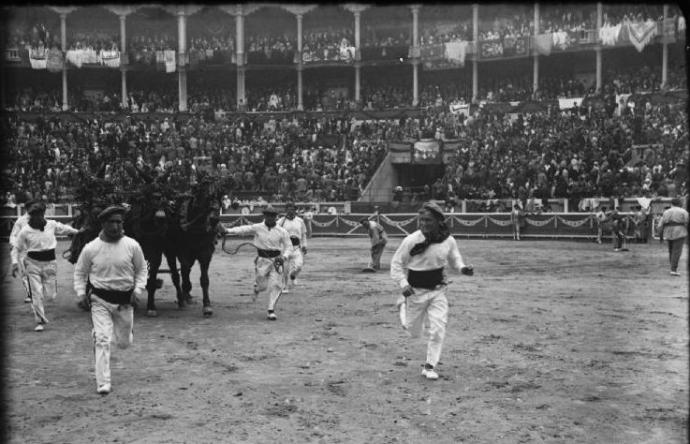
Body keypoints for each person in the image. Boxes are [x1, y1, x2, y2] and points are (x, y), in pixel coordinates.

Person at [390, 201, 474, 380]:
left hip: (438, 290)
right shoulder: (411, 240)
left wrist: (462, 269)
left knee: (438, 329)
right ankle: (402, 307)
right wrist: (403, 284)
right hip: (415, 292)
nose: (424, 224)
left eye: (428, 220)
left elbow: (455, 259)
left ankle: (429, 366)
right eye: (421, 220)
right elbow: (396, 264)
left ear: (438, 221)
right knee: (413, 332)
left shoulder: (448, 240)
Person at [73, 205, 147, 395]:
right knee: (103, 340)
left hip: (124, 302)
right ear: (103, 224)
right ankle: (103, 382)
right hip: (100, 300)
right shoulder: (91, 248)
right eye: (111, 222)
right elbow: (80, 272)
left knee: (124, 343)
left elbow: (141, 270)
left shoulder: (132, 245)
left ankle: (119, 333)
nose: (116, 226)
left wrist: (137, 290)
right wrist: (81, 293)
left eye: (119, 222)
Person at [11, 200, 80, 331]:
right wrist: (14, 263)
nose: (36, 218)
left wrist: (79, 231)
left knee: (51, 295)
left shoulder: (51, 224)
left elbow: (65, 229)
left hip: (50, 264)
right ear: (30, 216)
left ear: (43, 215)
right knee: (36, 294)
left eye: (38, 215)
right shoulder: (25, 230)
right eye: (33, 216)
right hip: (32, 263)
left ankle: (43, 293)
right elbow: (16, 247)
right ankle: (40, 321)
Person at [223, 205, 291, 320]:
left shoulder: (282, 231)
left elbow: (289, 247)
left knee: (276, 285)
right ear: (264, 216)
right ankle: (257, 288)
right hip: (262, 260)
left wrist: (284, 257)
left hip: (277, 260)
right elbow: (244, 229)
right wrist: (228, 230)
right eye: (268, 215)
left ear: (276, 217)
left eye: (273, 216)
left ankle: (271, 310)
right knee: (262, 285)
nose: (270, 218)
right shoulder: (258, 227)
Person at [276, 202, 308, 293]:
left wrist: (304, 245)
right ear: (286, 210)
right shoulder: (280, 222)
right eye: (289, 209)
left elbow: (303, 234)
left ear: (295, 210)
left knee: (299, 266)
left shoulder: (300, 221)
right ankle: (285, 287)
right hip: (285, 247)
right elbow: (276, 234)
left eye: (293, 209)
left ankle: (293, 275)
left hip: (296, 247)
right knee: (284, 269)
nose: (291, 211)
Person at [657, 197, 688, 276]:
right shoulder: (683, 211)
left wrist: (660, 235)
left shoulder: (666, 212)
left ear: (672, 203)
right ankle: (673, 269)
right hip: (679, 231)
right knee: (676, 251)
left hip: (668, 231)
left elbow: (660, 224)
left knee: (671, 250)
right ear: (679, 203)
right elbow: (687, 221)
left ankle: (673, 267)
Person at [9, 200, 32, 303]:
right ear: (27, 209)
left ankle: (35, 292)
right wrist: (14, 244)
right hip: (24, 251)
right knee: (25, 274)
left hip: (37, 251)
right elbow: (13, 235)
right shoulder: (21, 221)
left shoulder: (41, 219)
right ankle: (30, 294)